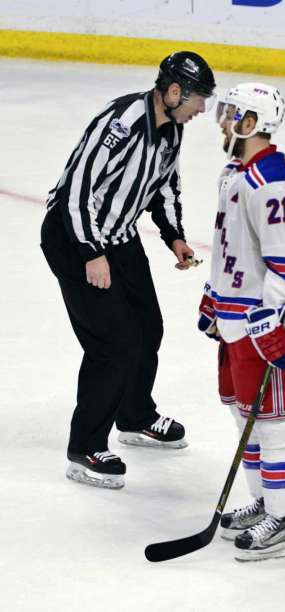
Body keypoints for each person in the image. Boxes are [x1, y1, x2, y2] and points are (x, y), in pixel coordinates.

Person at [40, 51, 216, 490]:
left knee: (148, 327)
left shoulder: (171, 130)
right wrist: (89, 252)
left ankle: (135, 417)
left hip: (118, 239)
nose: (202, 110)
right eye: (198, 99)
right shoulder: (121, 122)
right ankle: (84, 447)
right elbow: (77, 190)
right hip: (73, 237)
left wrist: (173, 235)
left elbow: (165, 186)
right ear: (174, 91)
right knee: (112, 343)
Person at [196, 82, 285, 562]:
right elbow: (231, 247)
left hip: (265, 322)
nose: (222, 120)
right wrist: (213, 297)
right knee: (244, 414)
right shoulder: (235, 172)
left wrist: (270, 322)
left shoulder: (274, 181)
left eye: (231, 114)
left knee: (276, 425)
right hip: (235, 315)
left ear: (252, 124)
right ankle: (266, 502)